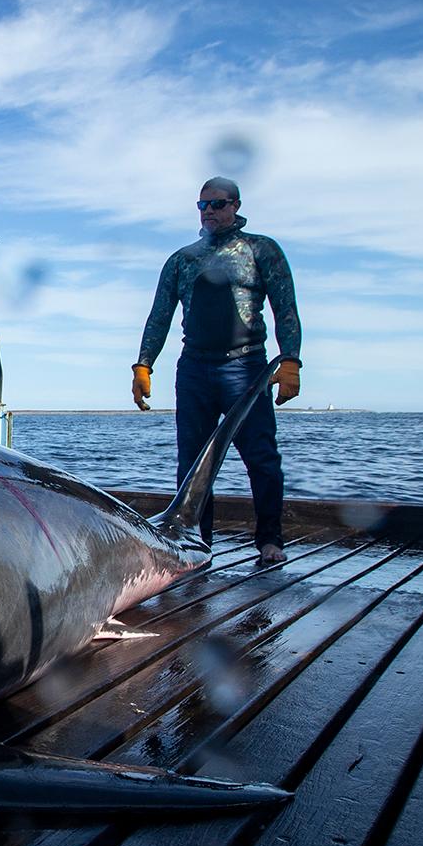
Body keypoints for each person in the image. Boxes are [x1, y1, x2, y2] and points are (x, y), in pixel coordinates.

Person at [131, 177, 302, 565]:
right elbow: (159, 316)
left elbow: (285, 308)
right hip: (194, 368)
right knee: (191, 461)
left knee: (260, 456)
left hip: (246, 367)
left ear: (236, 206)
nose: (209, 212)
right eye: (202, 205)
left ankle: (270, 540)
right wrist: (143, 364)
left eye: (218, 204)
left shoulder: (262, 250)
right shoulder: (181, 259)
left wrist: (290, 359)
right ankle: (196, 542)